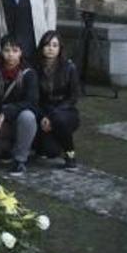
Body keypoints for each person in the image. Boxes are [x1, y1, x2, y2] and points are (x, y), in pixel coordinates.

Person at [0, 35, 40, 176]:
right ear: (1, 51)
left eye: (15, 50)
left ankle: (20, 160)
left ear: (21, 52)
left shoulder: (29, 73)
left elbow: (32, 103)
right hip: (1, 123)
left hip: (19, 121)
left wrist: (6, 112)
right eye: (7, 50)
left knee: (28, 116)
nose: (10, 55)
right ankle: (7, 149)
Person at [33, 31, 80, 170]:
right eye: (47, 45)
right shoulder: (35, 68)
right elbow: (34, 98)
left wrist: (51, 116)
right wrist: (43, 116)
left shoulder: (69, 67)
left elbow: (73, 97)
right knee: (49, 152)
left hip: (65, 111)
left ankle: (70, 154)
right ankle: (53, 141)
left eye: (55, 45)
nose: (51, 48)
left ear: (60, 48)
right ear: (42, 47)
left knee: (59, 119)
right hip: (43, 111)